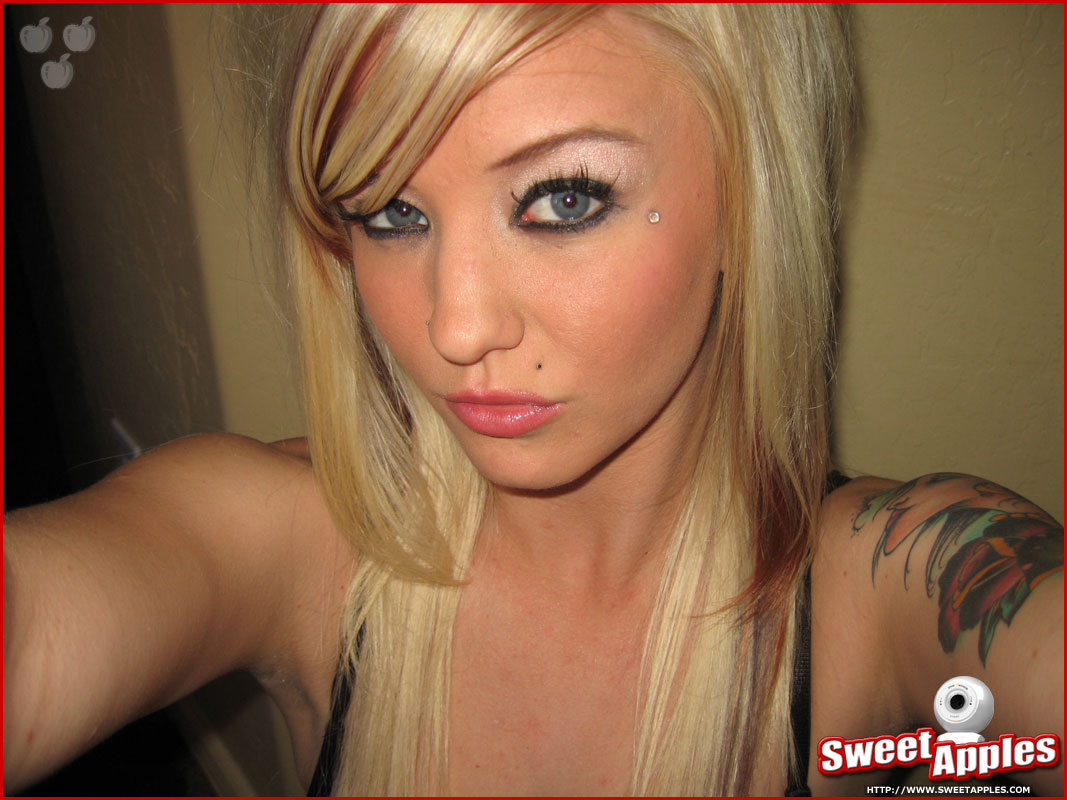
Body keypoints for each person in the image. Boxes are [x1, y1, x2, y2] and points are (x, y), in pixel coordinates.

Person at [4, 4, 1062, 796]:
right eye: (388, 210)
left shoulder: (897, 598)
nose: (455, 327)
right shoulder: (289, 544)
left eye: (562, 197)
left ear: (752, 194)